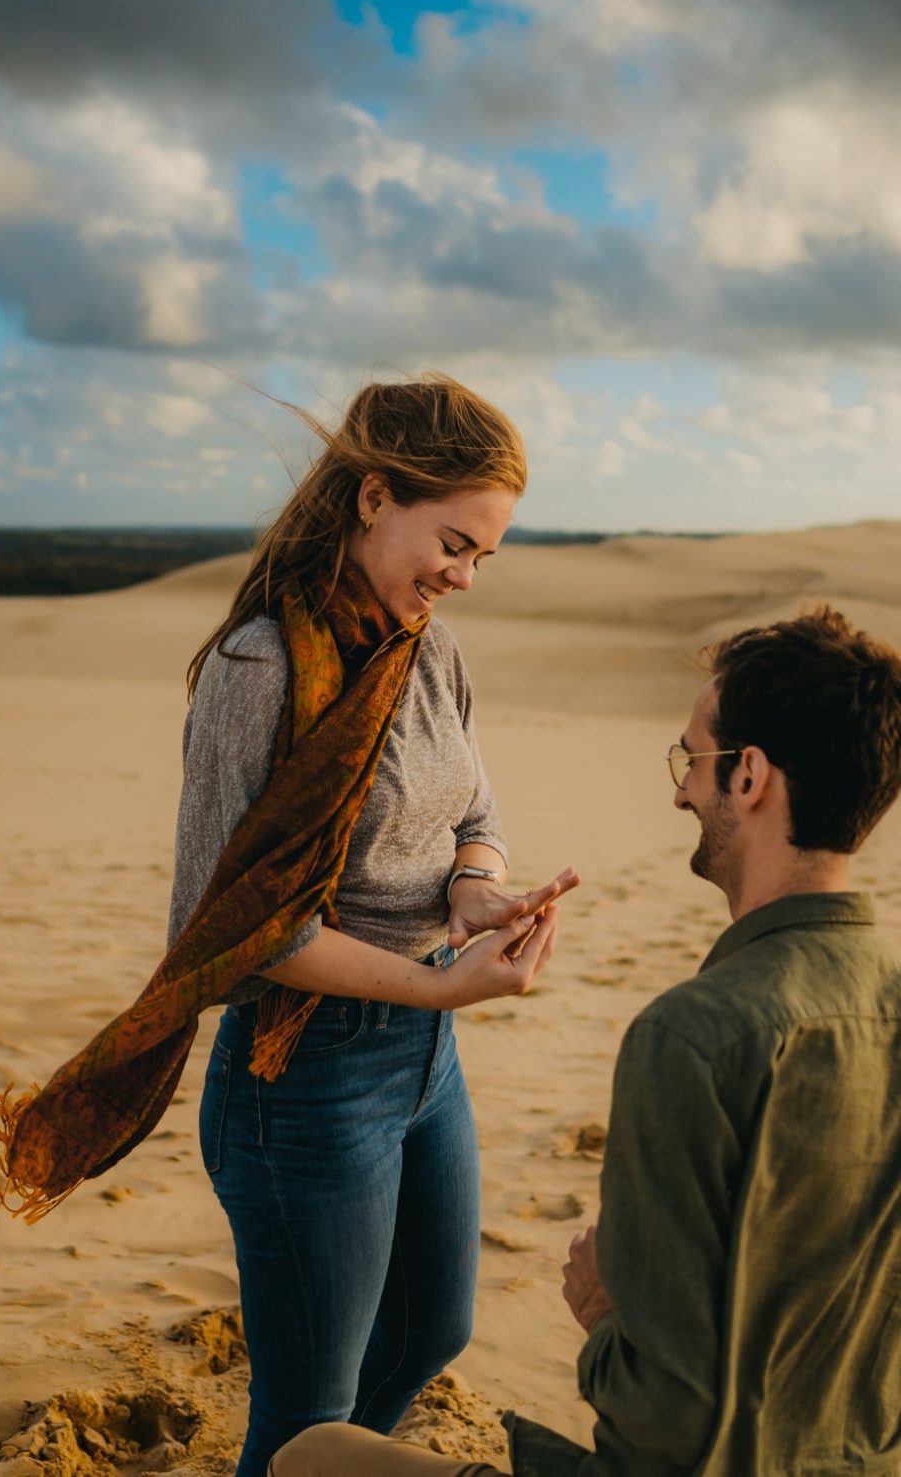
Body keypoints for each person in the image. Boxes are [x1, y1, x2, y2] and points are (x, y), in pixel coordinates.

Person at [273, 606, 901, 1477]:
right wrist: (821, 1373)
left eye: (692, 760)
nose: (680, 791)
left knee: (314, 1455)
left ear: (748, 777)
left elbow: (665, 1416)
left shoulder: (694, 1037)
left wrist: (606, 1319)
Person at [163, 375, 578, 1476]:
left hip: (421, 1061)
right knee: (308, 1414)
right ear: (372, 496)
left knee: (429, 1333)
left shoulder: (426, 648)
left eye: (483, 555)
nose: (463, 574)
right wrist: (440, 983)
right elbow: (224, 937)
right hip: (299, 1082)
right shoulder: (259, 670)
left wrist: (475, 889)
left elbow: (473, 812)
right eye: (454, 540)